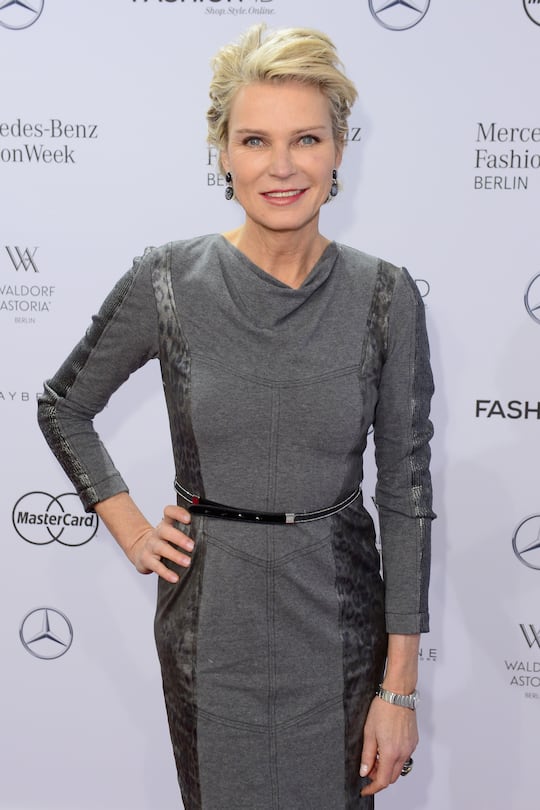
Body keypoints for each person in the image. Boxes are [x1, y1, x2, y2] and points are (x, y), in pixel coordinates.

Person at [37, 24, 435, 810]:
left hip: (339, 624)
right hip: (209, 624)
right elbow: (64, 406)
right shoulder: (167, 280)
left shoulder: (385, 296)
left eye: (306, 139)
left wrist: (399, 690)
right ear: (223, 152)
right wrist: (129, 526)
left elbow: (406, 495)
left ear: (339, 149)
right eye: (255, 140)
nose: (281, 166)